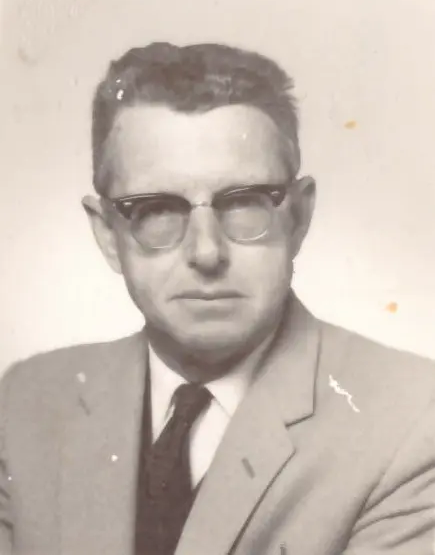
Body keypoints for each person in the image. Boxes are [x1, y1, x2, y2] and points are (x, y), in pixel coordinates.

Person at [1, 42, 435, 555]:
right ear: (107, 235)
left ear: (299, 217)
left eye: (244, 203)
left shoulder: (413, 420)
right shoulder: (25, 402)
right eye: (158, 209)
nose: (206, 252)